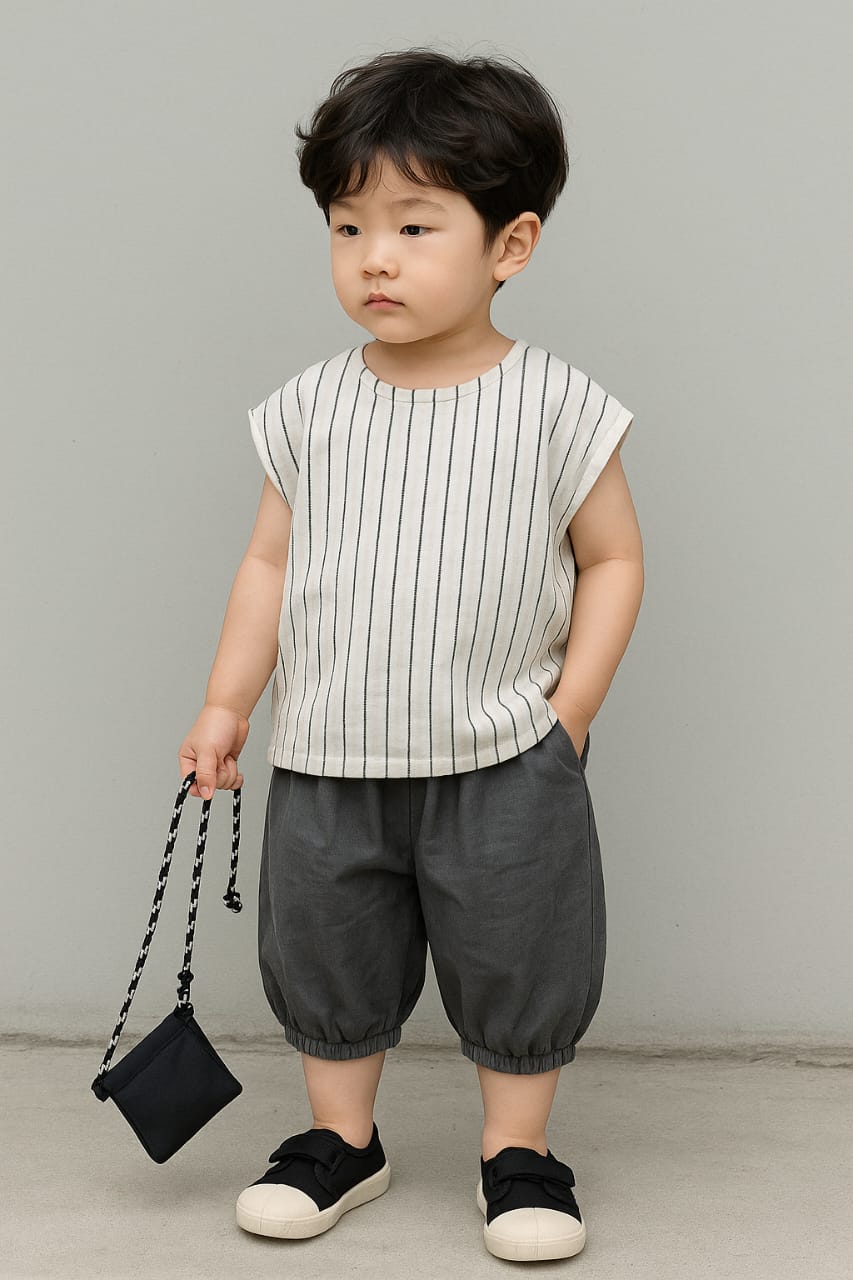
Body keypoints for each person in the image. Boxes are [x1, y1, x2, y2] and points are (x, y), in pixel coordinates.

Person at [178, 46, 644, 1263]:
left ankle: (518, 1152)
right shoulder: (309, 407)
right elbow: (268, 564)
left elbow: (612, 560)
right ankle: (342, 1139)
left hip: (503, 751)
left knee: (520, 949)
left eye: (413, 224)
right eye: (347, 227)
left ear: (510, 243)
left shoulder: (557, 403)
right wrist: (228, 703)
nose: (372, 257)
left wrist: (570, 712)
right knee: (326, 945)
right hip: (330, 750)